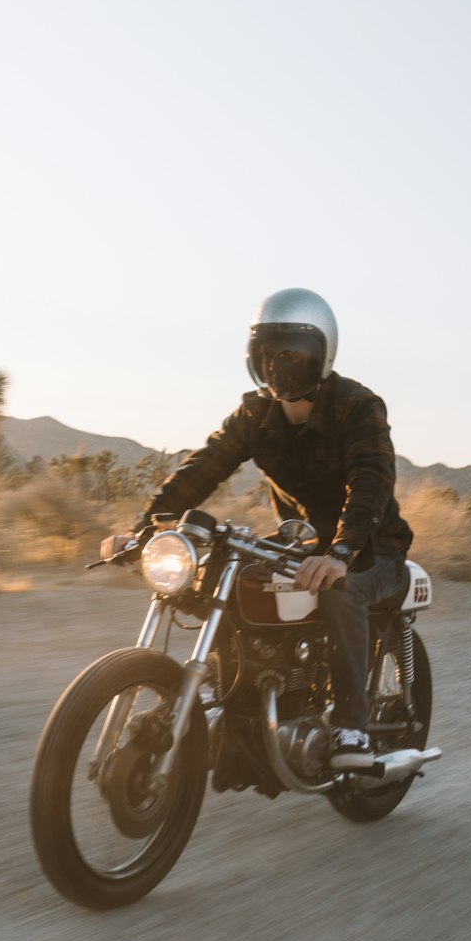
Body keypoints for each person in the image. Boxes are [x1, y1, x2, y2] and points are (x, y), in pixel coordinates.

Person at [137, 287, 413, 771]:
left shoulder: (359, 406)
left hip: (371, 550)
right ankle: (235, 695)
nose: (277, 368)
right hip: (300, 543)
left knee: (340, 591)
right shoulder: (254, 413)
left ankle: (351, 727)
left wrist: (342, 551)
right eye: (266, 355)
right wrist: (146, 526)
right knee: (220, 574)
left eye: (291, 355)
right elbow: (204, 466)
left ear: (321, 357)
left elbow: (370, 480)